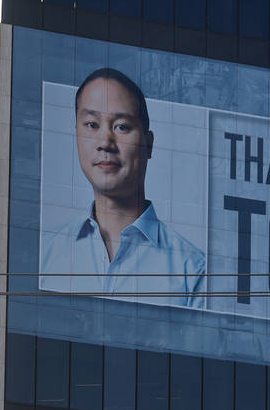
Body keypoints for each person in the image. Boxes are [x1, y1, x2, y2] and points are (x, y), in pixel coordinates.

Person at [40, 67, 206, 308]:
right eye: (91, 124)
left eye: (122, 127)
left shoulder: (192, 270)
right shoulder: (46, 255)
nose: (105, 142)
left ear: (148, 144)